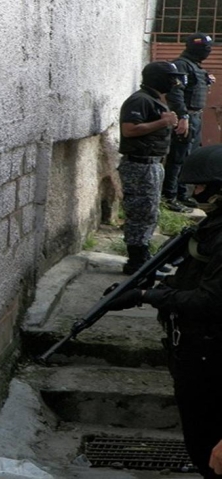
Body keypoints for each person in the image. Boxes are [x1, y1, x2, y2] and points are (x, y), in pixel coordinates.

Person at [106, 144, 222, 478]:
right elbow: (192, 278)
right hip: (194, 350)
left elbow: (210, 300)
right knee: (199, 441)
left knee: (208, 447)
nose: (195, 193)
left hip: (211, 355)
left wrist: (148, 295)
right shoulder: (213, 226)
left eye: (201, 186)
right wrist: (148, 287)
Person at [117, 61, 182, 275]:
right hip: (139, 165)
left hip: (152, 164)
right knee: (140, 212)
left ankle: (143, 256)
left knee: (150, 212)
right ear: (158, 78)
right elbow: (129, 130)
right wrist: (163, 123)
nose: (174, 83)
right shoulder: (140, 100)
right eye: (171, 78)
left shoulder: (153, 99)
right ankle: (136, 261)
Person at [162, 33, 215, 213]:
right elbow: (175, 93)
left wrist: (206, 80)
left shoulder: (195, 66)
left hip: (195, 117)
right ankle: (169, 196)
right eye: (205, 49)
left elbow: (193, 88)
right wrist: (183, 117)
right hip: (187, 118)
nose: (208, 52)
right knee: (178, 158)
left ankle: (182, 194)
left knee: (188, 158)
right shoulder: (181, 65)